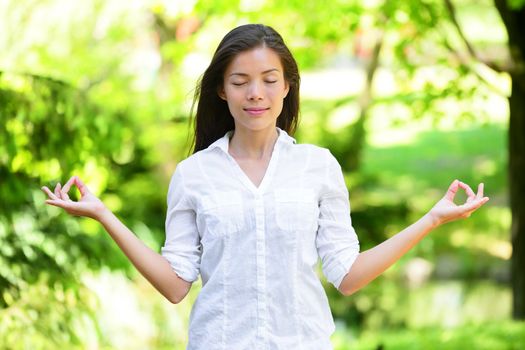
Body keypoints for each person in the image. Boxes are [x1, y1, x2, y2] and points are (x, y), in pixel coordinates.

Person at [41, 24, 489, 350]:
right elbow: (176, 285)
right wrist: (104, 217)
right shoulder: (194, 175)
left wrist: (431, 220)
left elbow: (348, 275)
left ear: (287, 86)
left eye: (269, 80)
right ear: (222, 90)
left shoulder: (318, 167)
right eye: (241, 81)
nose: (256, 92)